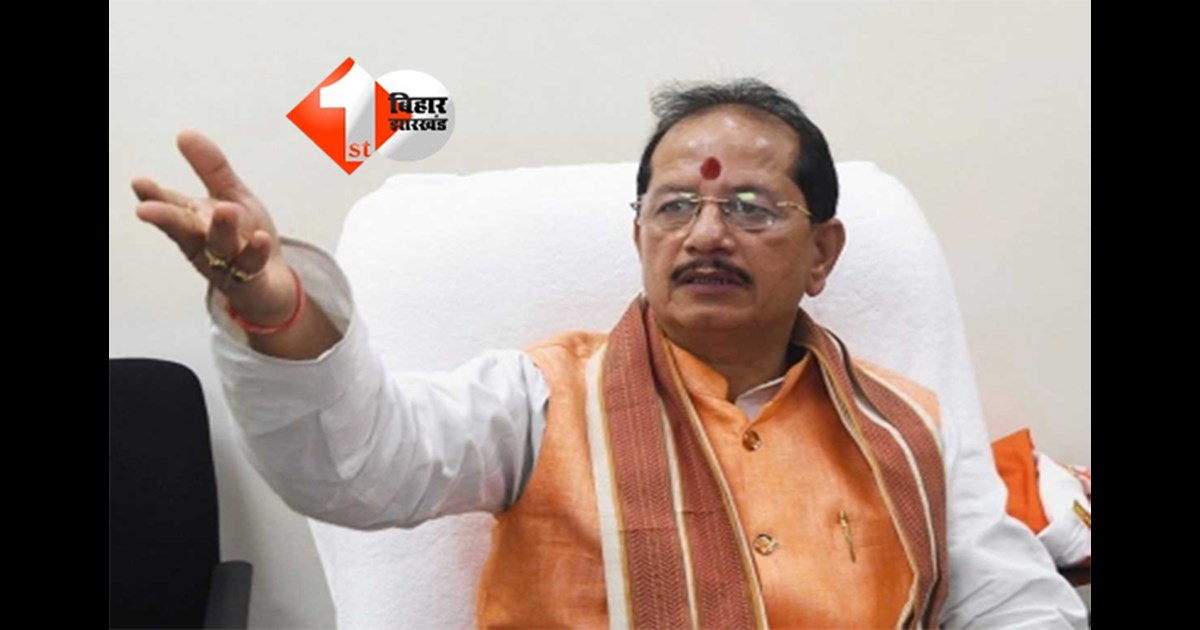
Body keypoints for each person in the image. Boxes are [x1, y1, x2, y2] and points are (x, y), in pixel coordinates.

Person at [133, 79, 1088, 628]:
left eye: (751, 208)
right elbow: (359, 465)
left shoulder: (912, 427)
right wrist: (275, 307)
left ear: (822, 254)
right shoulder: (540, 401)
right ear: (640, 237)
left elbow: (1012, 604)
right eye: (675, 206)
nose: (706, 233)